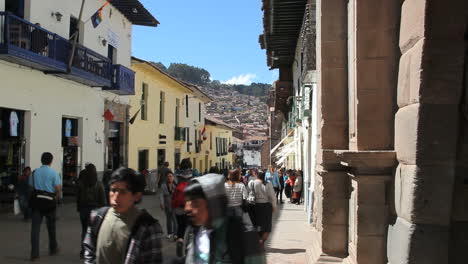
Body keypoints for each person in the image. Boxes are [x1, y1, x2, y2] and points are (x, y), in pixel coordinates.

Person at [83, 167, 163, 264]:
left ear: (136, 196)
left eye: (123, 192)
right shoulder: (97, 217)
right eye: (113, 190)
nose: (116, 197)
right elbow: (89, 250)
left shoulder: (148, 227)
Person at [181, 173, 266, 264]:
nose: (187, 208)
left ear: (213, 205)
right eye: (187, 202)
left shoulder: (245, 236)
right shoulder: (195, 231)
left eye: (195, 203)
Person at [29, 152, 62, 261]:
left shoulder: (34, 173)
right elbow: (58, 189)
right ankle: (53, 248)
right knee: (51, 227)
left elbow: (31, 186)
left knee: (35, 229)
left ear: (41, 160)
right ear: (51, 161)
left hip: (37, 203)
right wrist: (55, 197)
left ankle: (34, 254)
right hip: (49, 203)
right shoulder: (54, 173)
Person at [76, 163, 105, 259]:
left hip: (84, 210)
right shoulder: (99, 184)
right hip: (95, 211)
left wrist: (79, 208)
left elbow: (78, 198)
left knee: (84, 231)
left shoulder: (81, 184)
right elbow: (103, 200)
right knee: (95, 232)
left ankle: (83, 251)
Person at [171, 158, 193, 256]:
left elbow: (173, 190)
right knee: (191, 228)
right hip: (189, 206)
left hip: (178, 208)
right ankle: (188, 247)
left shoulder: (176, 176)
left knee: (181, 226)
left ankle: (180, 240)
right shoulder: (193, 176)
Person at [251, 171, 277, 247]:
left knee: (257, 225)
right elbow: (273, 197)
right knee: (267, 227)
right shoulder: (268, 184)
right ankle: (261, 242)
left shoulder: (252, 183)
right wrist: (274, 207)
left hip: (255, 206)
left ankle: (258, 241)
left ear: (257, 176)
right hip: (266, 207)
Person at [160, 172, 177, 240]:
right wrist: (162, 203)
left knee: (175, 220)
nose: (169, 178)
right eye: (168, 176)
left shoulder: (176, 185)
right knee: (168, 220)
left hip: (174, 204)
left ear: (173, 177)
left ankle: (175, 234)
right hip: (167, 204)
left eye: (171, 176)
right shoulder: (163, 185)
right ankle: (169, 233)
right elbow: (161, 194)